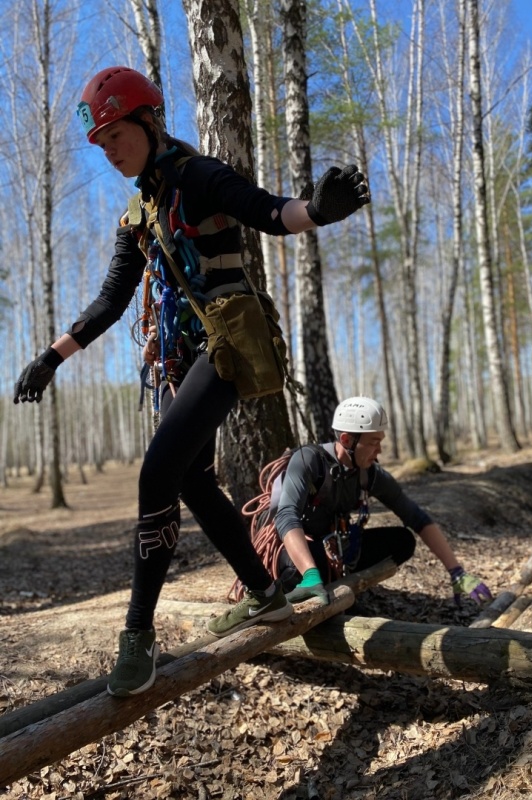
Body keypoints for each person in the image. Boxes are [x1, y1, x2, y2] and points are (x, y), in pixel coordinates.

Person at [13, 66, 370, 697]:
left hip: (228, 344)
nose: (108, 148)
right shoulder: (139, 212)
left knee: (157, 471)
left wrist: (316, 210)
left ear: (148, 122)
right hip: (181, 357)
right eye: (99, 142)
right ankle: (265, 591)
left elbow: (267, 212)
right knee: (194, 479)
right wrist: (51, 356)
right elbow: (112, 300)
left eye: (115, 133)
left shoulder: (199, 176)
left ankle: (137, 634)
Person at [275, 396, 493, 608]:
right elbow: (286, 515)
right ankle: (314, 587)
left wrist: (456, 572)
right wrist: (310, 574)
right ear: (347, 440)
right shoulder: (308, 460)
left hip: (336, 549)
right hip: (298, 555)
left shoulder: (367, 472)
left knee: (403, 541)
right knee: (293, 568)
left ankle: (339, 589)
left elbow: (416, 517)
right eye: (374, 442)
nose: (379, 451)